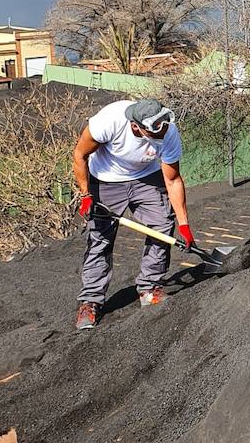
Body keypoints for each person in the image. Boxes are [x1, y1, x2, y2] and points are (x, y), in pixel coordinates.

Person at [71, 98, 193, 330]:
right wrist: (86, 194)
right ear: (136, 126)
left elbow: (173, 179)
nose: (162, 132)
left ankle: (150, 287)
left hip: (146, 177)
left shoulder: (168, 132)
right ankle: (91, 301)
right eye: (154, 129)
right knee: (100, 239)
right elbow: (79, 155)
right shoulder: (109, 121)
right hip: (105, 180)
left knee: (162, 225)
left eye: (163, 126)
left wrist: (184, 225)